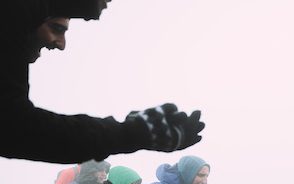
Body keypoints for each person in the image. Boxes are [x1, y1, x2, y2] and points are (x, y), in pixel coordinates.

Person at [3, 1, 205, 164]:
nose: (61, 44)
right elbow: (14, 127)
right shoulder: (14, 11)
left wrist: (130, 133)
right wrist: (131, 134)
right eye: (56, 28)